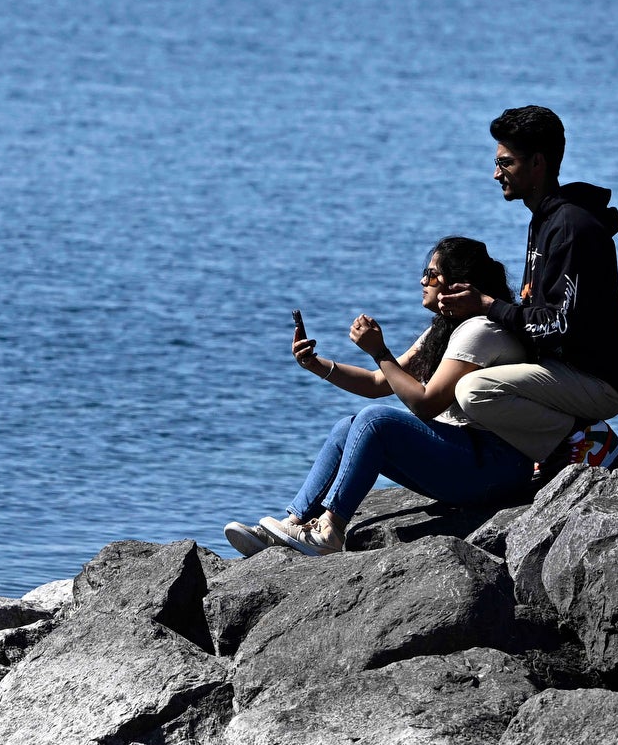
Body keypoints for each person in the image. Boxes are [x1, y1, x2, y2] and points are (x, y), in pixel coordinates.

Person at [226, 236, 535, 558]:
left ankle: (329, 529)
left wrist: (379, 351)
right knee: (348, 427)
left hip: (496, 468)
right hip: (468, 457)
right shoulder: (447, 328)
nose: (422, 281)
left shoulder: (481, 331)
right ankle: (294, 521)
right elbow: (378, 383)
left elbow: (427, 403)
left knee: (376, 421)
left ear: (457, 283)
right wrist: (316, 365)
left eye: (431, 274)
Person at [434, 104, 618, 471]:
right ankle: (543, 449)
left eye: (505, 163)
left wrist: (487, 304)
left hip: (596, 379)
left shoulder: (571, 228)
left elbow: (557, 325)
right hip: (562, 367)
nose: (495, 173)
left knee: (474, 391)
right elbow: (538, 312)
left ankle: (585, 440)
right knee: (471, 362)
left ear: (537, 163)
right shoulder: (544, 220)